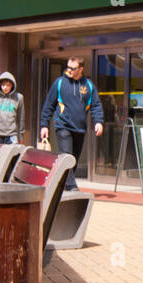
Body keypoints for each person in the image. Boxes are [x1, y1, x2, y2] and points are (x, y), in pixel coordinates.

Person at [39, 57, 103, 191]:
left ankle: (62, 185)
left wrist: (98, 122)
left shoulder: (88, 85)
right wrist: (44, 125)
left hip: (80, 128)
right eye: (68, 67)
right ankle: (72, 186)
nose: (69, 70)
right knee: (67, 156)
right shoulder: (60, 83)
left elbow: (96, 105)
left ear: (81, 69)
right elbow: (49, 105)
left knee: (73, 160)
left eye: (73, 68)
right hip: (63, 126)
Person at [0, 71, 24, 144]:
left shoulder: (19, 97)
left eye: (8, 85)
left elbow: (21, 117)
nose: (5, 87)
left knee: (13, 154)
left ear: (12, 85)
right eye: (3, 85)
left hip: (12, 134)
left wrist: (21, 135)